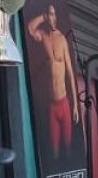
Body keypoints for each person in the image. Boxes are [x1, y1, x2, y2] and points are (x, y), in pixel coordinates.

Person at [28, 4, 80, 159]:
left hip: (64, 102)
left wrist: (75, 105)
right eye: (50, 14)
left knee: (69, 148)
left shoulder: (62, 39)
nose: (53, 17)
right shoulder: (43, 37)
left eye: (54, 14)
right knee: (54, 151)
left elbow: (70, 73)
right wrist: (43, 17)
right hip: (51, 104)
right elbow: (30, 29)